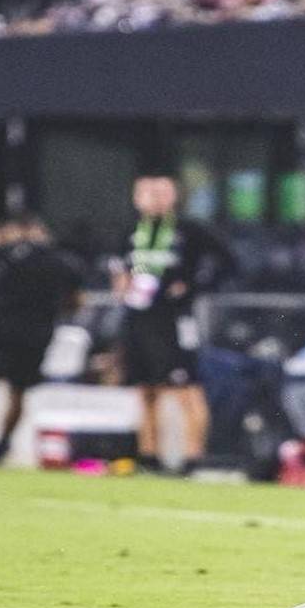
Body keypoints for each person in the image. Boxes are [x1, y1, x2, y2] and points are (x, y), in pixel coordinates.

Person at [113, 172, 235, 474]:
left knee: (185, 387)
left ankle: (193, 457)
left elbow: (227, 262)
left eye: (160, 193)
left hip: (174, 318)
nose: (153, 199)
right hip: (139, 317)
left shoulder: (188, 231)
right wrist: (121, 284)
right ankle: (149, 455)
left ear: (173, 197)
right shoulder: (131, 231)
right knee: (145, 388)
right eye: (146, 193)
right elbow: (120, 267)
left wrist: (193, 288)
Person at [0, 216, 84, 464]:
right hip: (36, 332)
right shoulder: (62, 261)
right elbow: (76, 301)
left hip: (0, 329)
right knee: (18, 391)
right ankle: (1, 444)